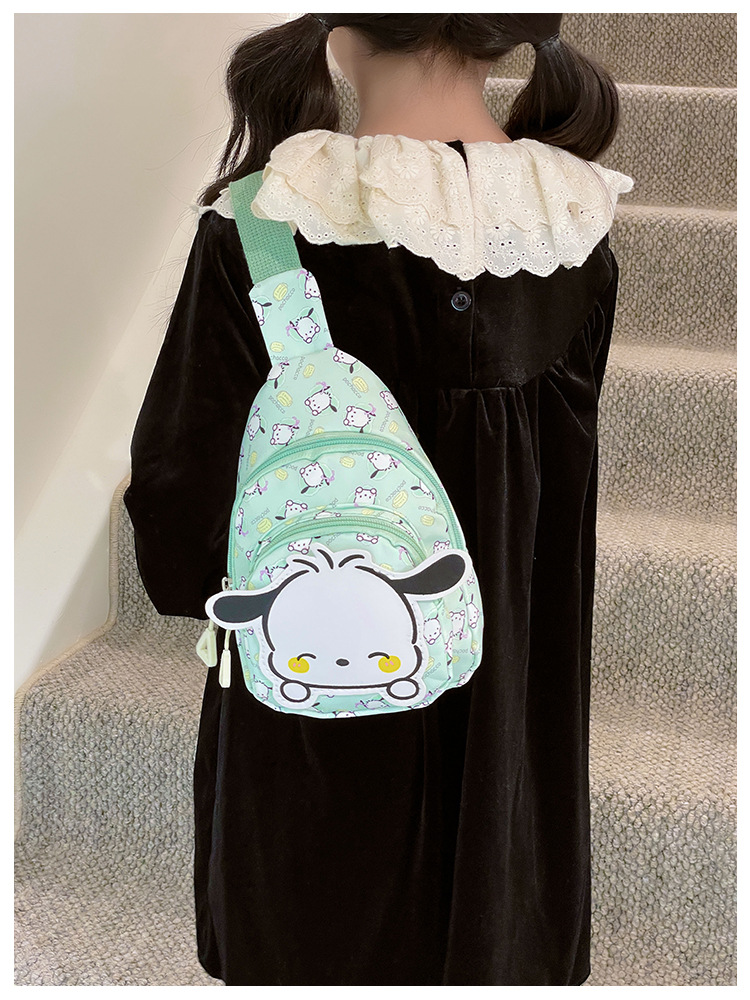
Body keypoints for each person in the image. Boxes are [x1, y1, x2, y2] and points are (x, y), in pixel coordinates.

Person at [123, 12, 634, 986]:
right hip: (510, 706)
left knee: (310, 922)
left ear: (342, 30)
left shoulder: (263, 225)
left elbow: (181, 512)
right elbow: (562, 491)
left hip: (311, 711)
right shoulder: (570, 228)